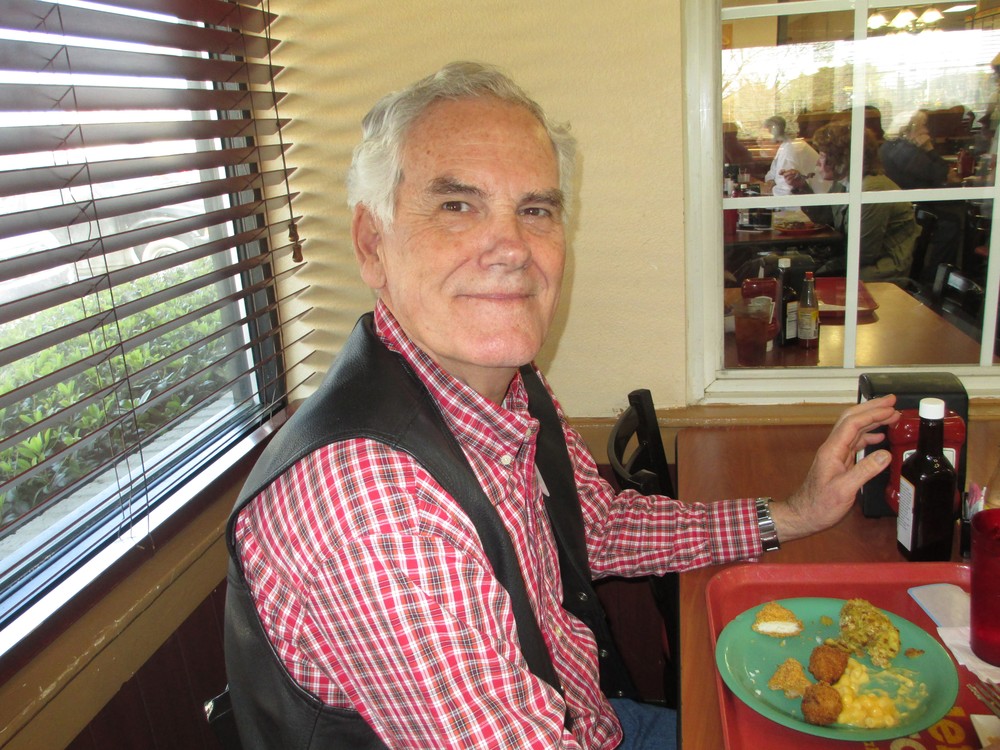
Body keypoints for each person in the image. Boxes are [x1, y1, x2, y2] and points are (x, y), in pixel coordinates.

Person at [223, 61, 901, 749]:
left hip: (597, 722)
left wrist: (794, 513)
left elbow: (597, 528)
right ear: (373, 245)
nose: (512, 248)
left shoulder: (511, 386)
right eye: (457, 205)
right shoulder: (373, 508)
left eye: (535, 210)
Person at [783, 121, 919, 281]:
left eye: (823, 155)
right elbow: (826, 218)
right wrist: (802, 187)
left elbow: (863, 253)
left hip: (879, 272)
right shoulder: (845, 183)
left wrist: (819, 268)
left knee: (793, 276)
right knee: (789, 269)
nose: (818, 162)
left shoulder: (871, 190)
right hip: (857, 264)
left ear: (842, 159)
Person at [880, 109, 964, 283]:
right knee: (953, 221)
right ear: (909, 129)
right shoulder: (903, 150)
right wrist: (929, 148)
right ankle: (935, 279)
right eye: (923, 126)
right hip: (908, 210)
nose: (927, 131)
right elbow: (940, 173)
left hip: (906, 205)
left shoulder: (896, 147)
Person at [761, 115, 830, 196]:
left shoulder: (790, 150)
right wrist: (770, 183)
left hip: (823, 201)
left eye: (763, 138)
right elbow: (771, 176)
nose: (758, 141)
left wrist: (764, 190)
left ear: (777, 138)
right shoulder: (784, 148)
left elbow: (786, 193)